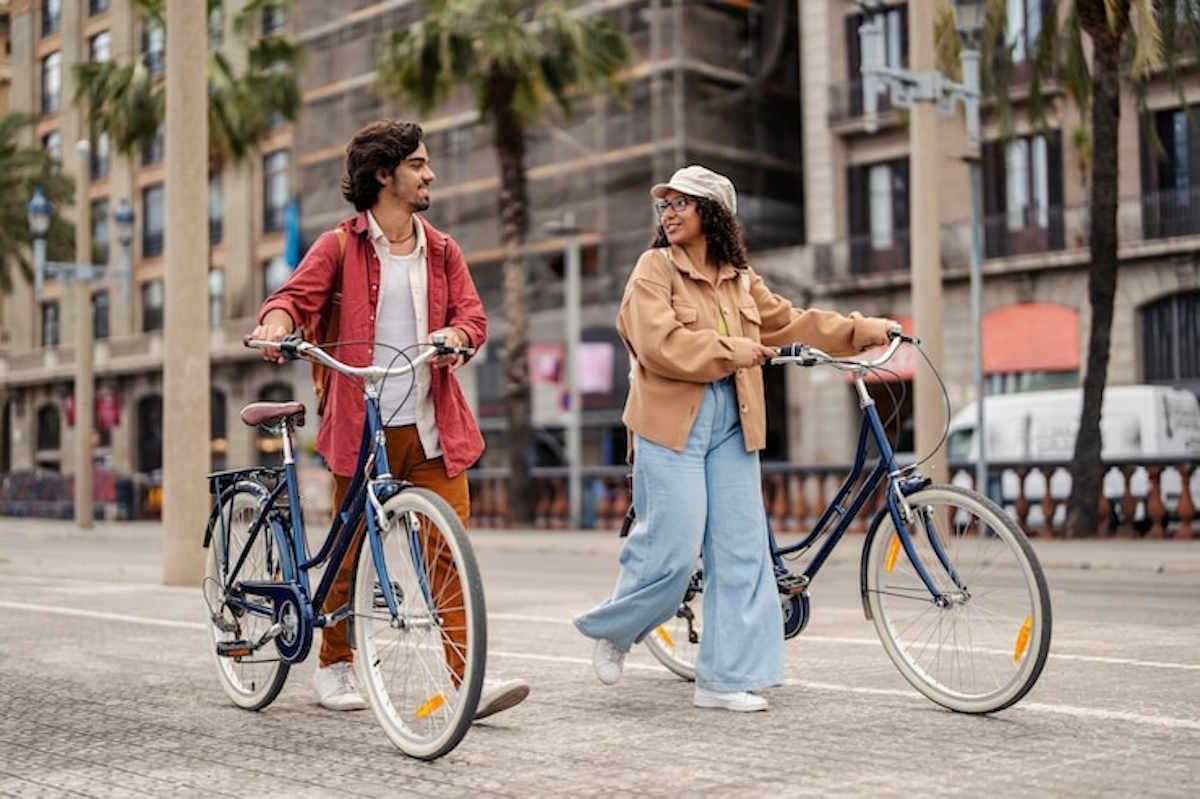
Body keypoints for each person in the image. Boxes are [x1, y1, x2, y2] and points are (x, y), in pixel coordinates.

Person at [574, 165, 896, 712]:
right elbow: (659, 344)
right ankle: (616, 628)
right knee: (672, 550)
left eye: (683, 203)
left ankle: (723, 680)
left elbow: (790, 323)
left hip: (734, 419)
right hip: (670, 421)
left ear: (715, 214)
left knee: (742, 551)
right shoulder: (655, 270)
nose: (669, 213)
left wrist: (860, 330)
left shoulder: (741, 279)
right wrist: (733, 351)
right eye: (665, 205)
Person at [249, 120, 529, 720]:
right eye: (419, 164)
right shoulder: (340, 247)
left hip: (432, 429)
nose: (430, 174)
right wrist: (276, 327)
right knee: (349, 556)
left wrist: (458, 333)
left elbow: (474, 318)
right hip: (362, 425)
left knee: (448, 554)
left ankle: (464, 680)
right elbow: (290, 301)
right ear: (385, 174)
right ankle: (333, 664)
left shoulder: (444, 250)